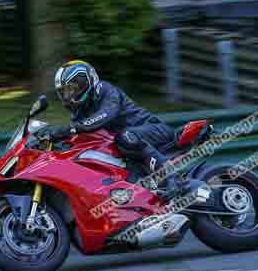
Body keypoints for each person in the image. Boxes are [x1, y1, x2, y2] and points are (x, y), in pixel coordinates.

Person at [35, 60, 183, 198]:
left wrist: (69, 129)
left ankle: (171, 176)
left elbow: (104, 116)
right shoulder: (81, 112)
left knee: (124, 136)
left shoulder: (106, 91)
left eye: (71, 90)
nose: (67, 97)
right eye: (63, 93)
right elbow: (79, 137)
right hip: (129, 145)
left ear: (85, 83)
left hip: (155, 130)